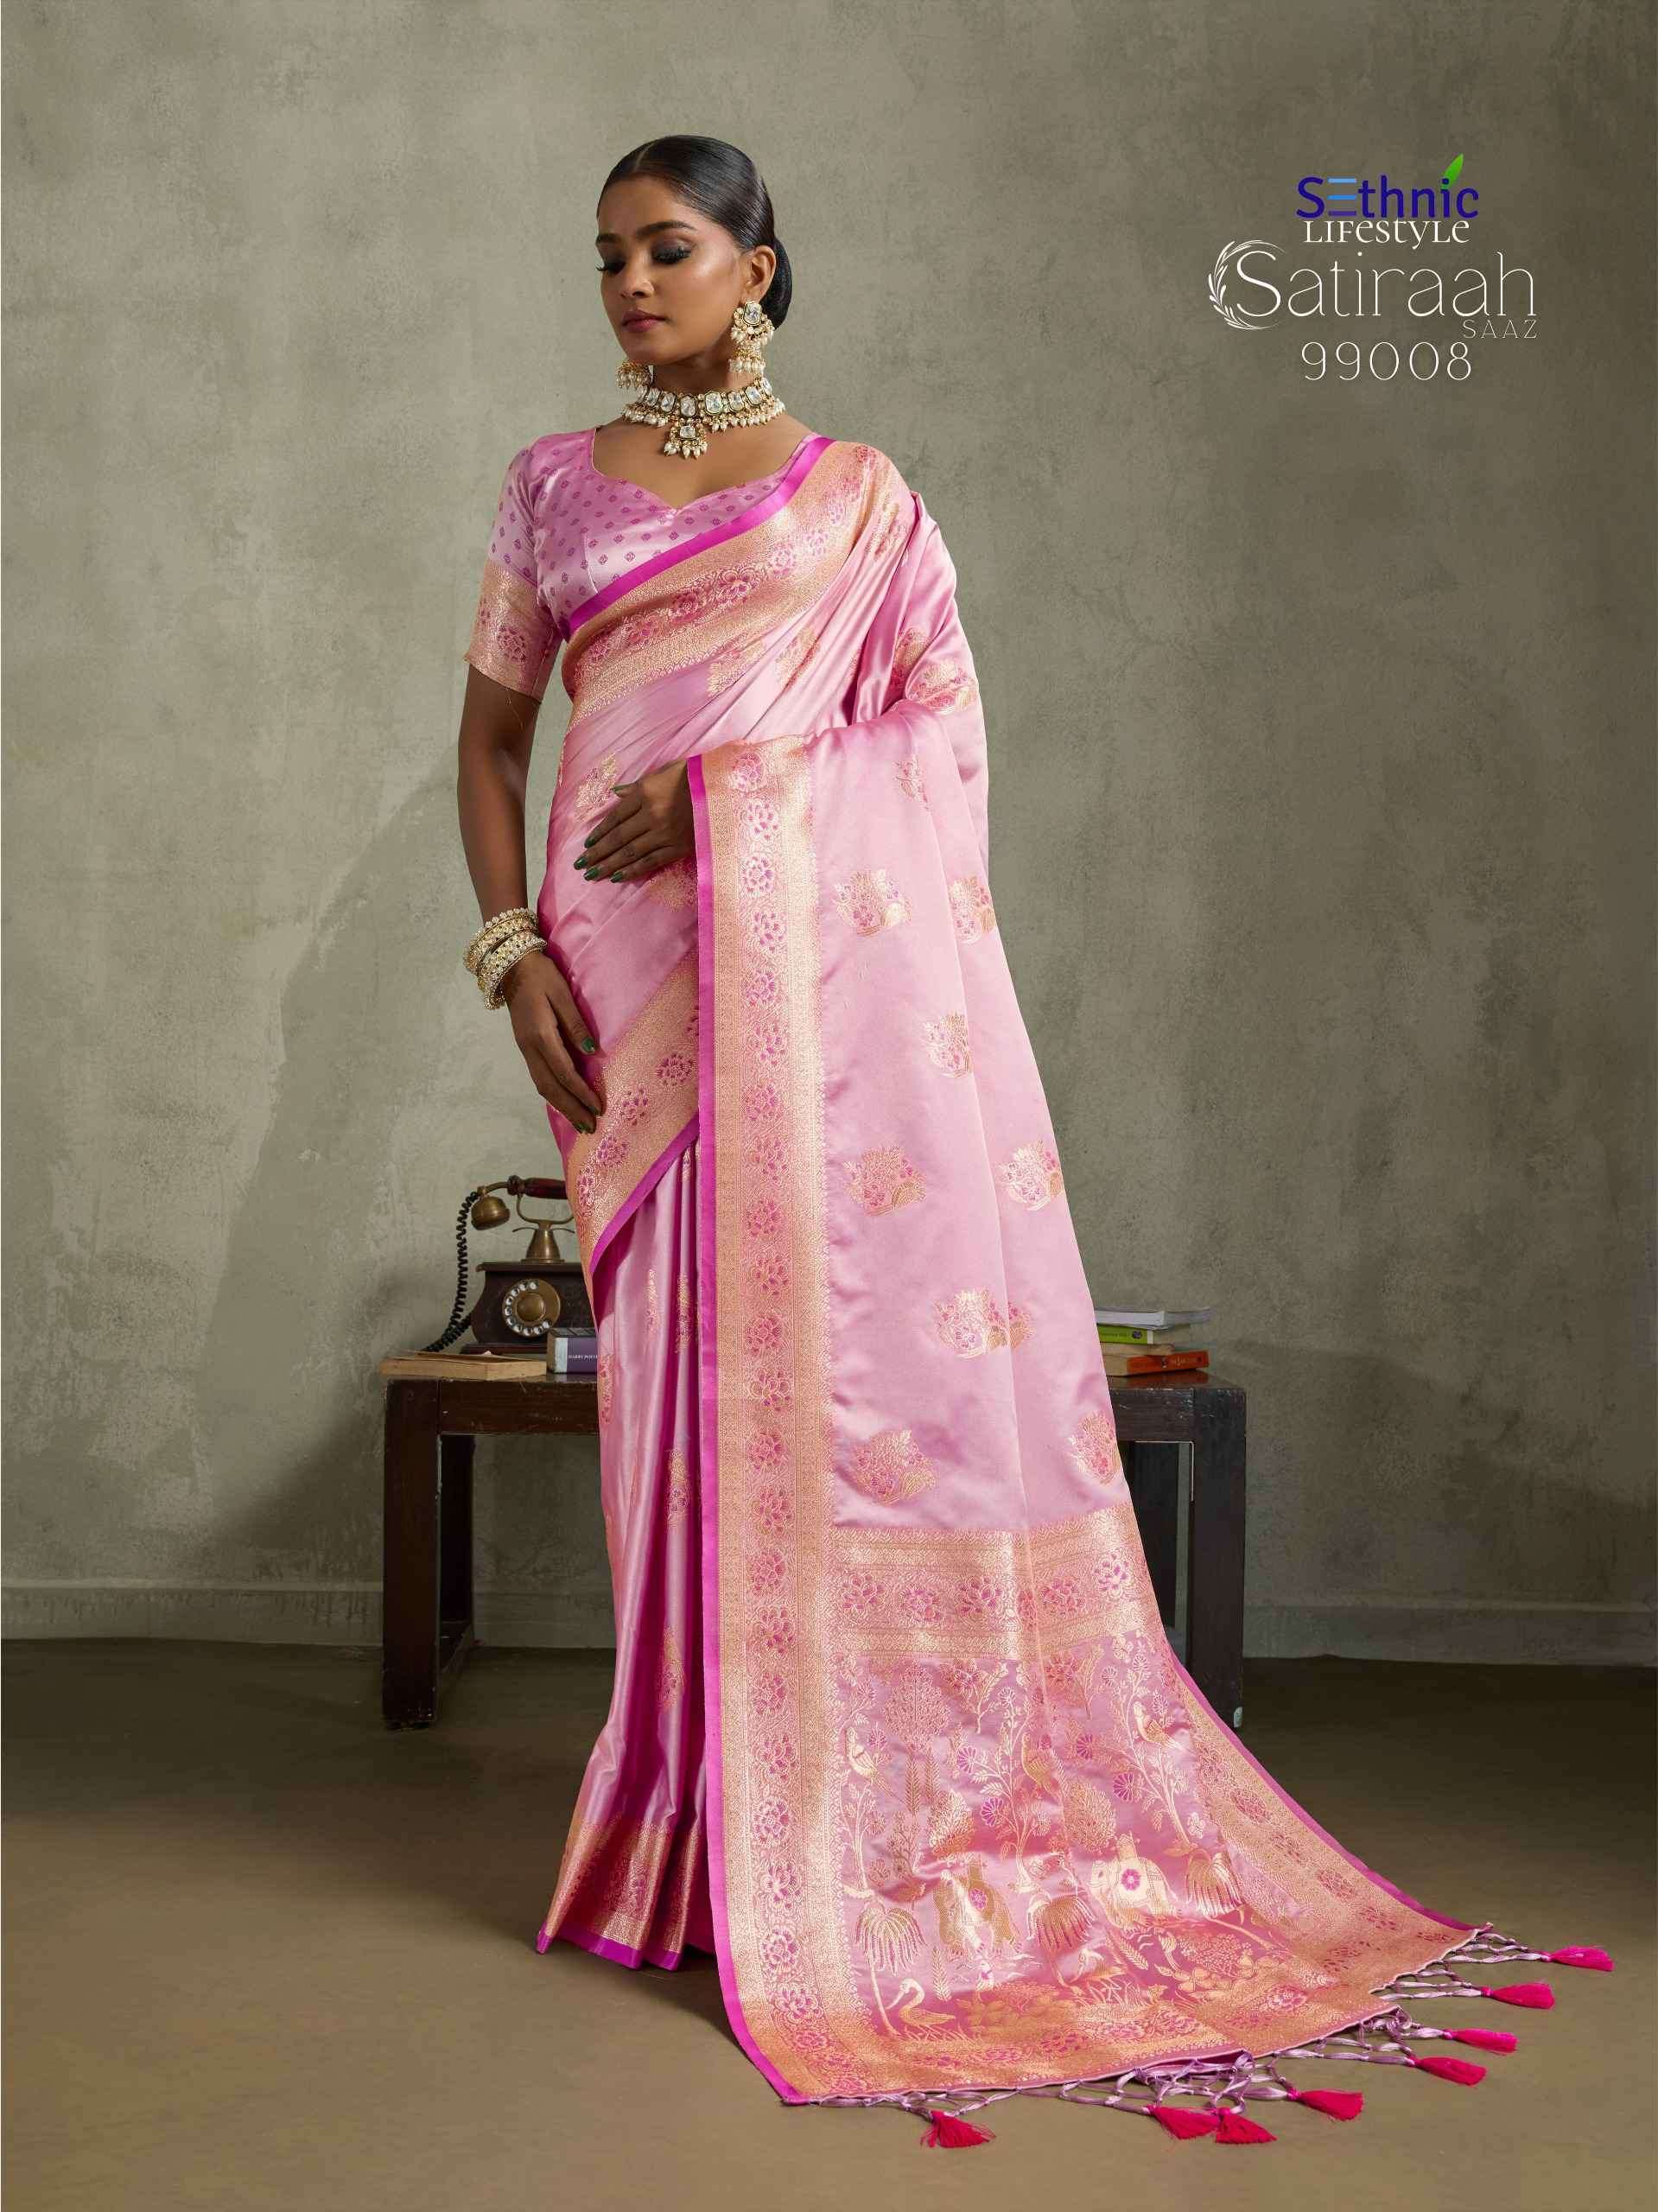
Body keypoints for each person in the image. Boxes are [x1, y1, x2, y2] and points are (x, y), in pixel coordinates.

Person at [453, 134, 1612, 2148]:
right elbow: (486, 743)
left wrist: (731, 790)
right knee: (671, 1402)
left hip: (799, 998)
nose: (632, 284)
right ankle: (693, 1832)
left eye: (670, 249)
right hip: (620, 1000)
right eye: (610, 256)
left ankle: (829, 1838)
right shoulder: (553, 485)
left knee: (811, 1389)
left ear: (757, 269)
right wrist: (508, 950)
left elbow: (941, 750)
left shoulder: (863, 503)